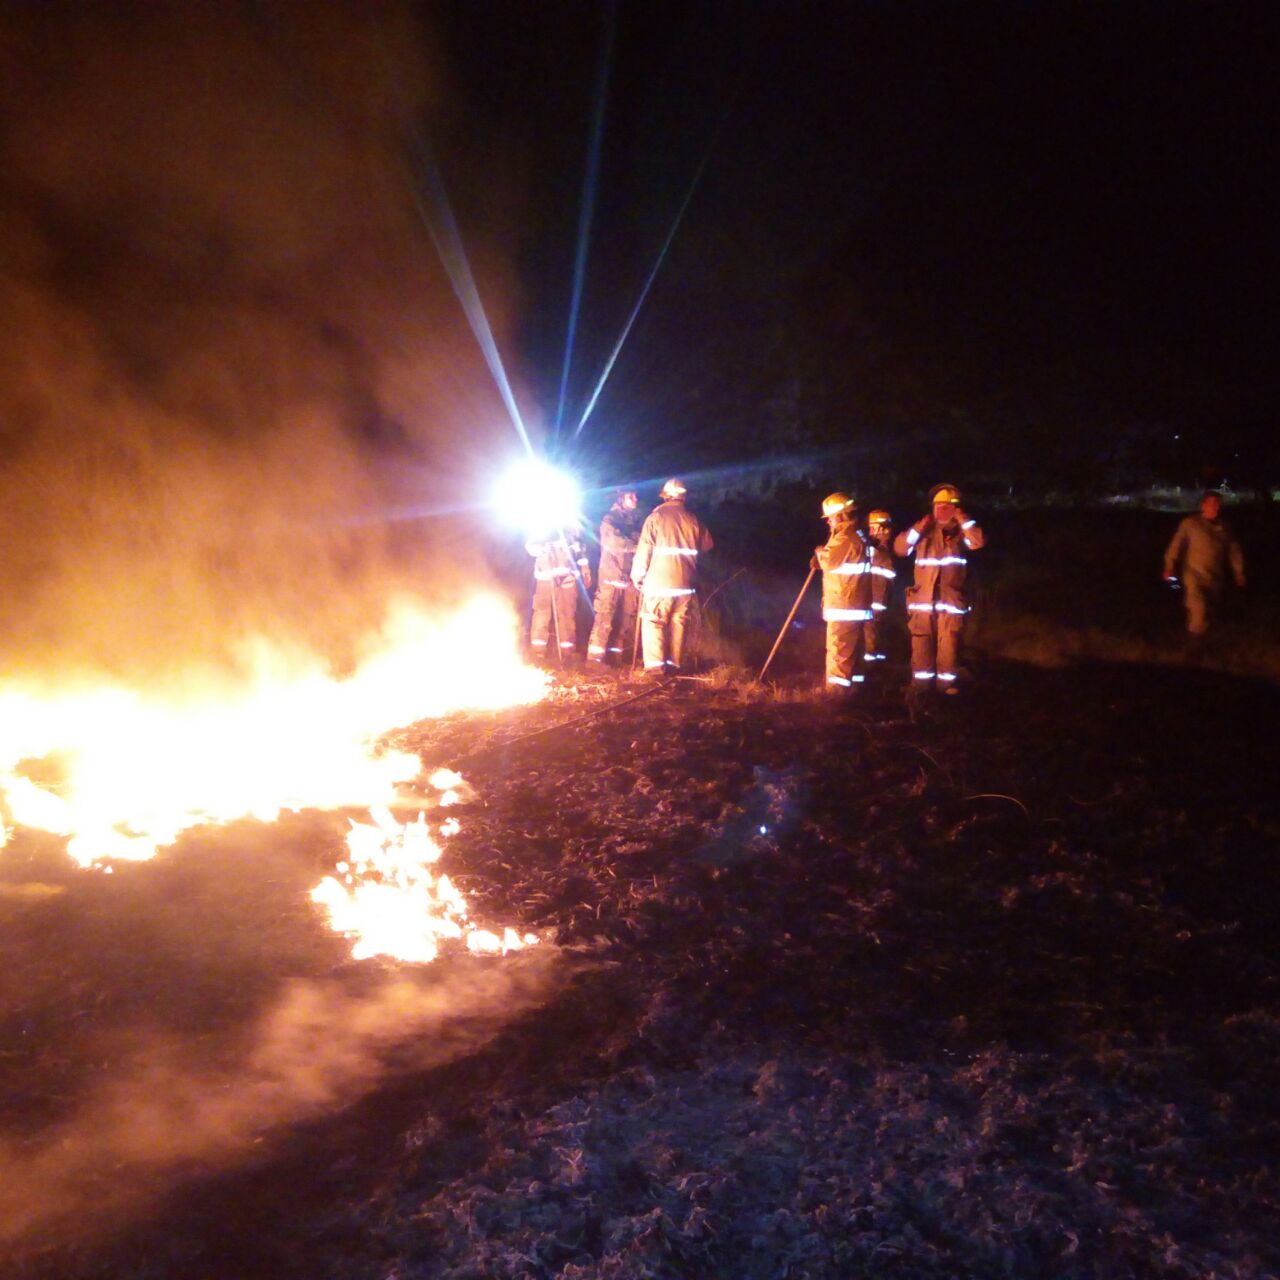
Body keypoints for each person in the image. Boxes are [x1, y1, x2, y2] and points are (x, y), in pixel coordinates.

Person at [894, 482, 985, 698]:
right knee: (921, 646)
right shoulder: (923, 531)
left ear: (956, 508)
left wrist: (962, 519)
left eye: (948, 506)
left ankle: (946, 689)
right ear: (932, 508)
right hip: (922, 603)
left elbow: (979, 541)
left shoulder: (961, 533)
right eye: (939, 506)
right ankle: (920, 688)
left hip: (950, 603)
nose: (943, 510)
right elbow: (900, 548)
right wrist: (919, 526)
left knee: (949, 647)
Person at [631, 478, 713, 675]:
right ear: (683, 496)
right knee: (679, 622)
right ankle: (674, 665)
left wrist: (638, 575)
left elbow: (644, 550)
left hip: (659, 583)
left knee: (653, 620)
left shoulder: (656, 517)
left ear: (665, 496)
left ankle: (655, 668)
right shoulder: (693, 519)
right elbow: (708, 545)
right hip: (685, 584)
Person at [1162, 490, 1246, 650]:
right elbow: (1176, 544)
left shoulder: (1225, 528)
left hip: (1215, 578)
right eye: (1211, 503)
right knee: (1198, 609)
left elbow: (1234, 551)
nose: (1215, 507)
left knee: (1209, 613)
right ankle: (1192, 649)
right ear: (1203, 505)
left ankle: (1202, 646)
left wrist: (1239, 572)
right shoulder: (1191, 523)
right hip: (1194, 575)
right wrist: (1169, 565)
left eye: (1217, 504)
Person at [812, 492, 874, 694]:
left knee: (839, 649)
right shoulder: (857, 535)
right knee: (853, 652)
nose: (828, 522)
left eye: (830, 517)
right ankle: (854, 689)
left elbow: (830, 561)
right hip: (855, 603)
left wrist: (820, 553)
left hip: (844, 605)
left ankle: (835, 694)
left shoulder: (845, 537)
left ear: (839, 516)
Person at [587, 489, 643, 667]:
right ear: (620, 499)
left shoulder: (637, 520)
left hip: (630, 578)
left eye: (635, 495)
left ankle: (616, 658)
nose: (635, 498)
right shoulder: (610, 519)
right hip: (611, 576)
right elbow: (615, 543)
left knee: (625, 620)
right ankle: (594, 661)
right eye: (630, 496)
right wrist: (639, 545)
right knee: (605, 618)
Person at [526, 524, 591, 664]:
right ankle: (538, 654)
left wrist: (585, 568)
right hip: (546, 576)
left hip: (567, 576)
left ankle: (567, 653)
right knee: (542, 614)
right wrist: (544, 546)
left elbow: (581, 549)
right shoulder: (540, 523)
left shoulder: (573, 524)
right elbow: (531, 547)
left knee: (567, 614)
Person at [863, 509, 897, 667]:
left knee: (872, 635)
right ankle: (878, 668)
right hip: (878, 603)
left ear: (882, 529)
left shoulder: (880, 552)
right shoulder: (881, 550)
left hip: (875, 603)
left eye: (872, 528)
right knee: (877, 635)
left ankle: (872, 670)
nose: (870, 532)